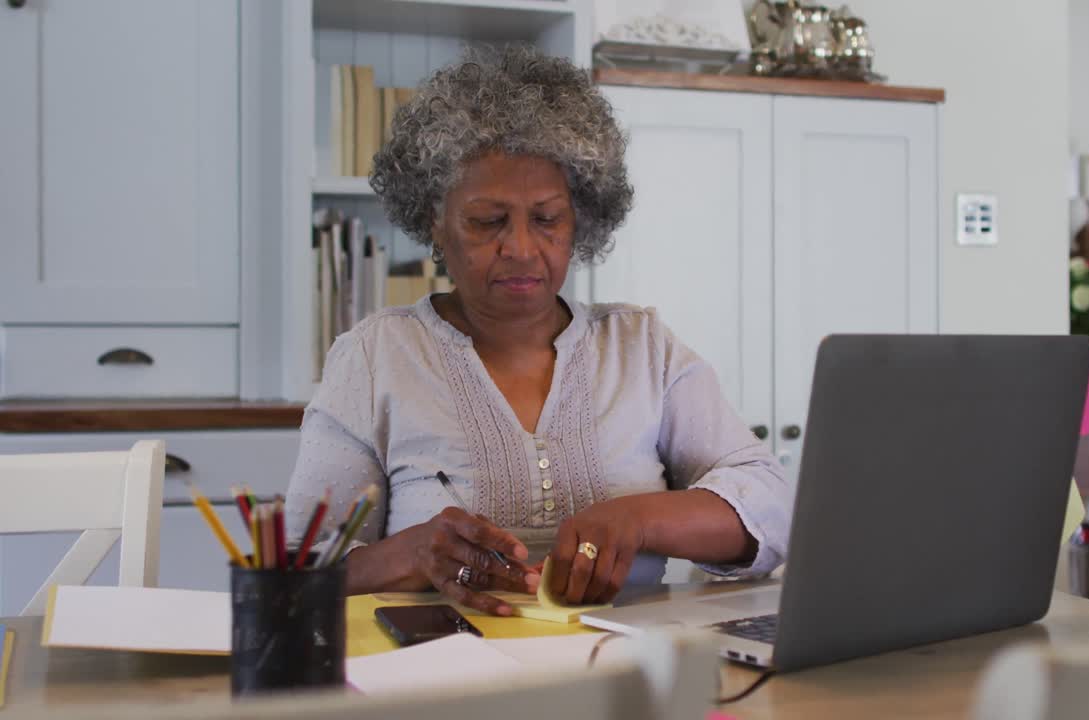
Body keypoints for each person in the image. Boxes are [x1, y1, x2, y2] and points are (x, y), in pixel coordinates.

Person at [285, 47, 792, 616]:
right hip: (442, 685)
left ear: (582, 217)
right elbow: (296, 575)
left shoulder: (641, 347)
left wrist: (637, 518)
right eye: (487, 221)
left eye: (547, 219)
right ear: (434, 219)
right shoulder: (377, 358)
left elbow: (770, 508)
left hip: (624, 677)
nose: (522, 249)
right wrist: (408, 554)